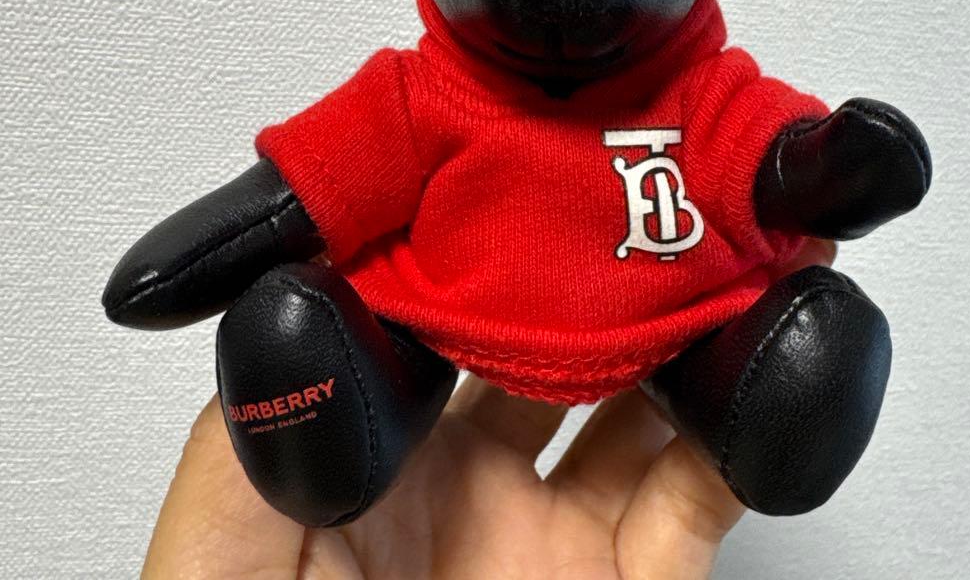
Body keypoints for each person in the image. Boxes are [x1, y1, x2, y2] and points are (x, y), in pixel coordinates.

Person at [142, 239, 837, 578]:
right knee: (318, 338)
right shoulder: (425, 94)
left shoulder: (696, 91)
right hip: (418, 337)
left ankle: (756, 380)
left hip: (654, 298)